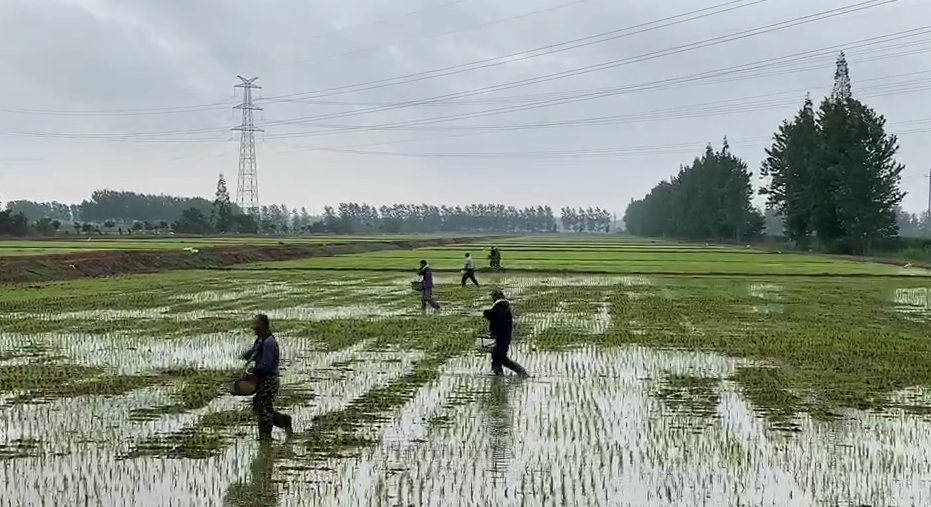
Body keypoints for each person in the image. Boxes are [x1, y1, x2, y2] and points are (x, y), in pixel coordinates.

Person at [240, 314, 293, 442]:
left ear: (262, 325)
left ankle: (266, 439)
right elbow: (254, 352)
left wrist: (253, 370)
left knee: (264, 410)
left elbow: (266, 366)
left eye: (256, 324)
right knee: (260, 407)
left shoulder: (269, 342)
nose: (253, 327)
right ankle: (281, 423)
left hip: (269, 380)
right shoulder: (260, 340)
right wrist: (245, 356)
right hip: (262, 380)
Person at [482, 289, 529, 377]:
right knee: (496, 358)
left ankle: (521, 372)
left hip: (500, 337)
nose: (492, 299)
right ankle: (498, 376)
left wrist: (487, 313)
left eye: (492, 297)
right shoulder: (503, 306)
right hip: (504, 336)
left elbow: (497, 319)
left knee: (501, 357)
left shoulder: (499, 307)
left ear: (495, 297)